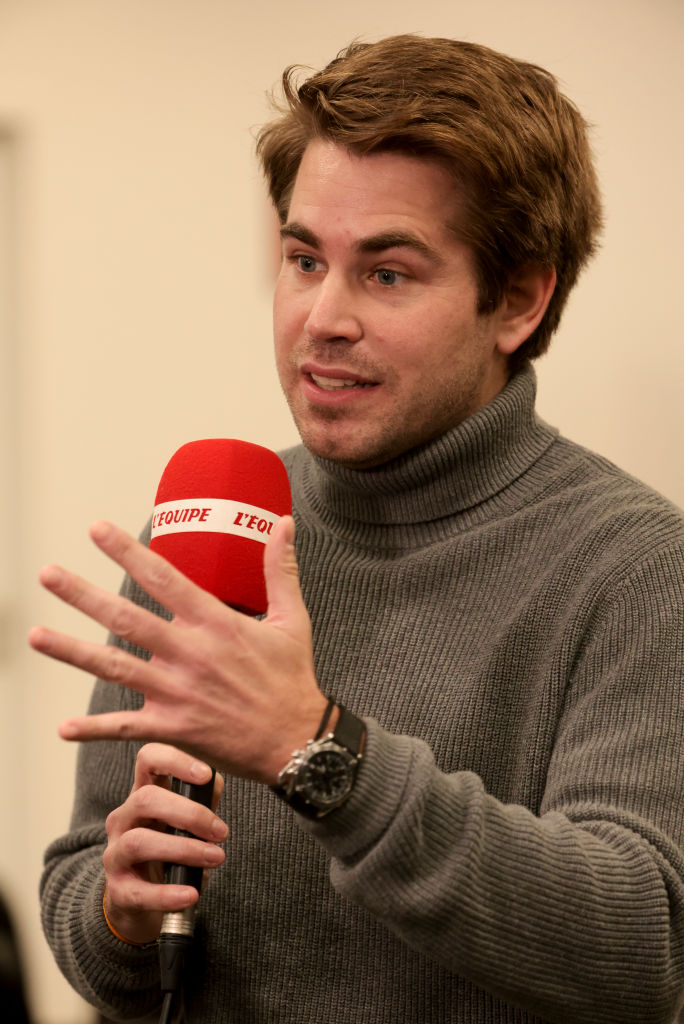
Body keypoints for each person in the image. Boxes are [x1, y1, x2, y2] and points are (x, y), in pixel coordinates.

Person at [31, 34, 683, 1024]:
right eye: (304, 259)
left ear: (517, 299)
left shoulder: (634, 567)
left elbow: (639, 948)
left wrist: (315, 747)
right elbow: (92, 918)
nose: (321, 317)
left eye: (387, 273)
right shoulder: (209, 526)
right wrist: (118, 909)